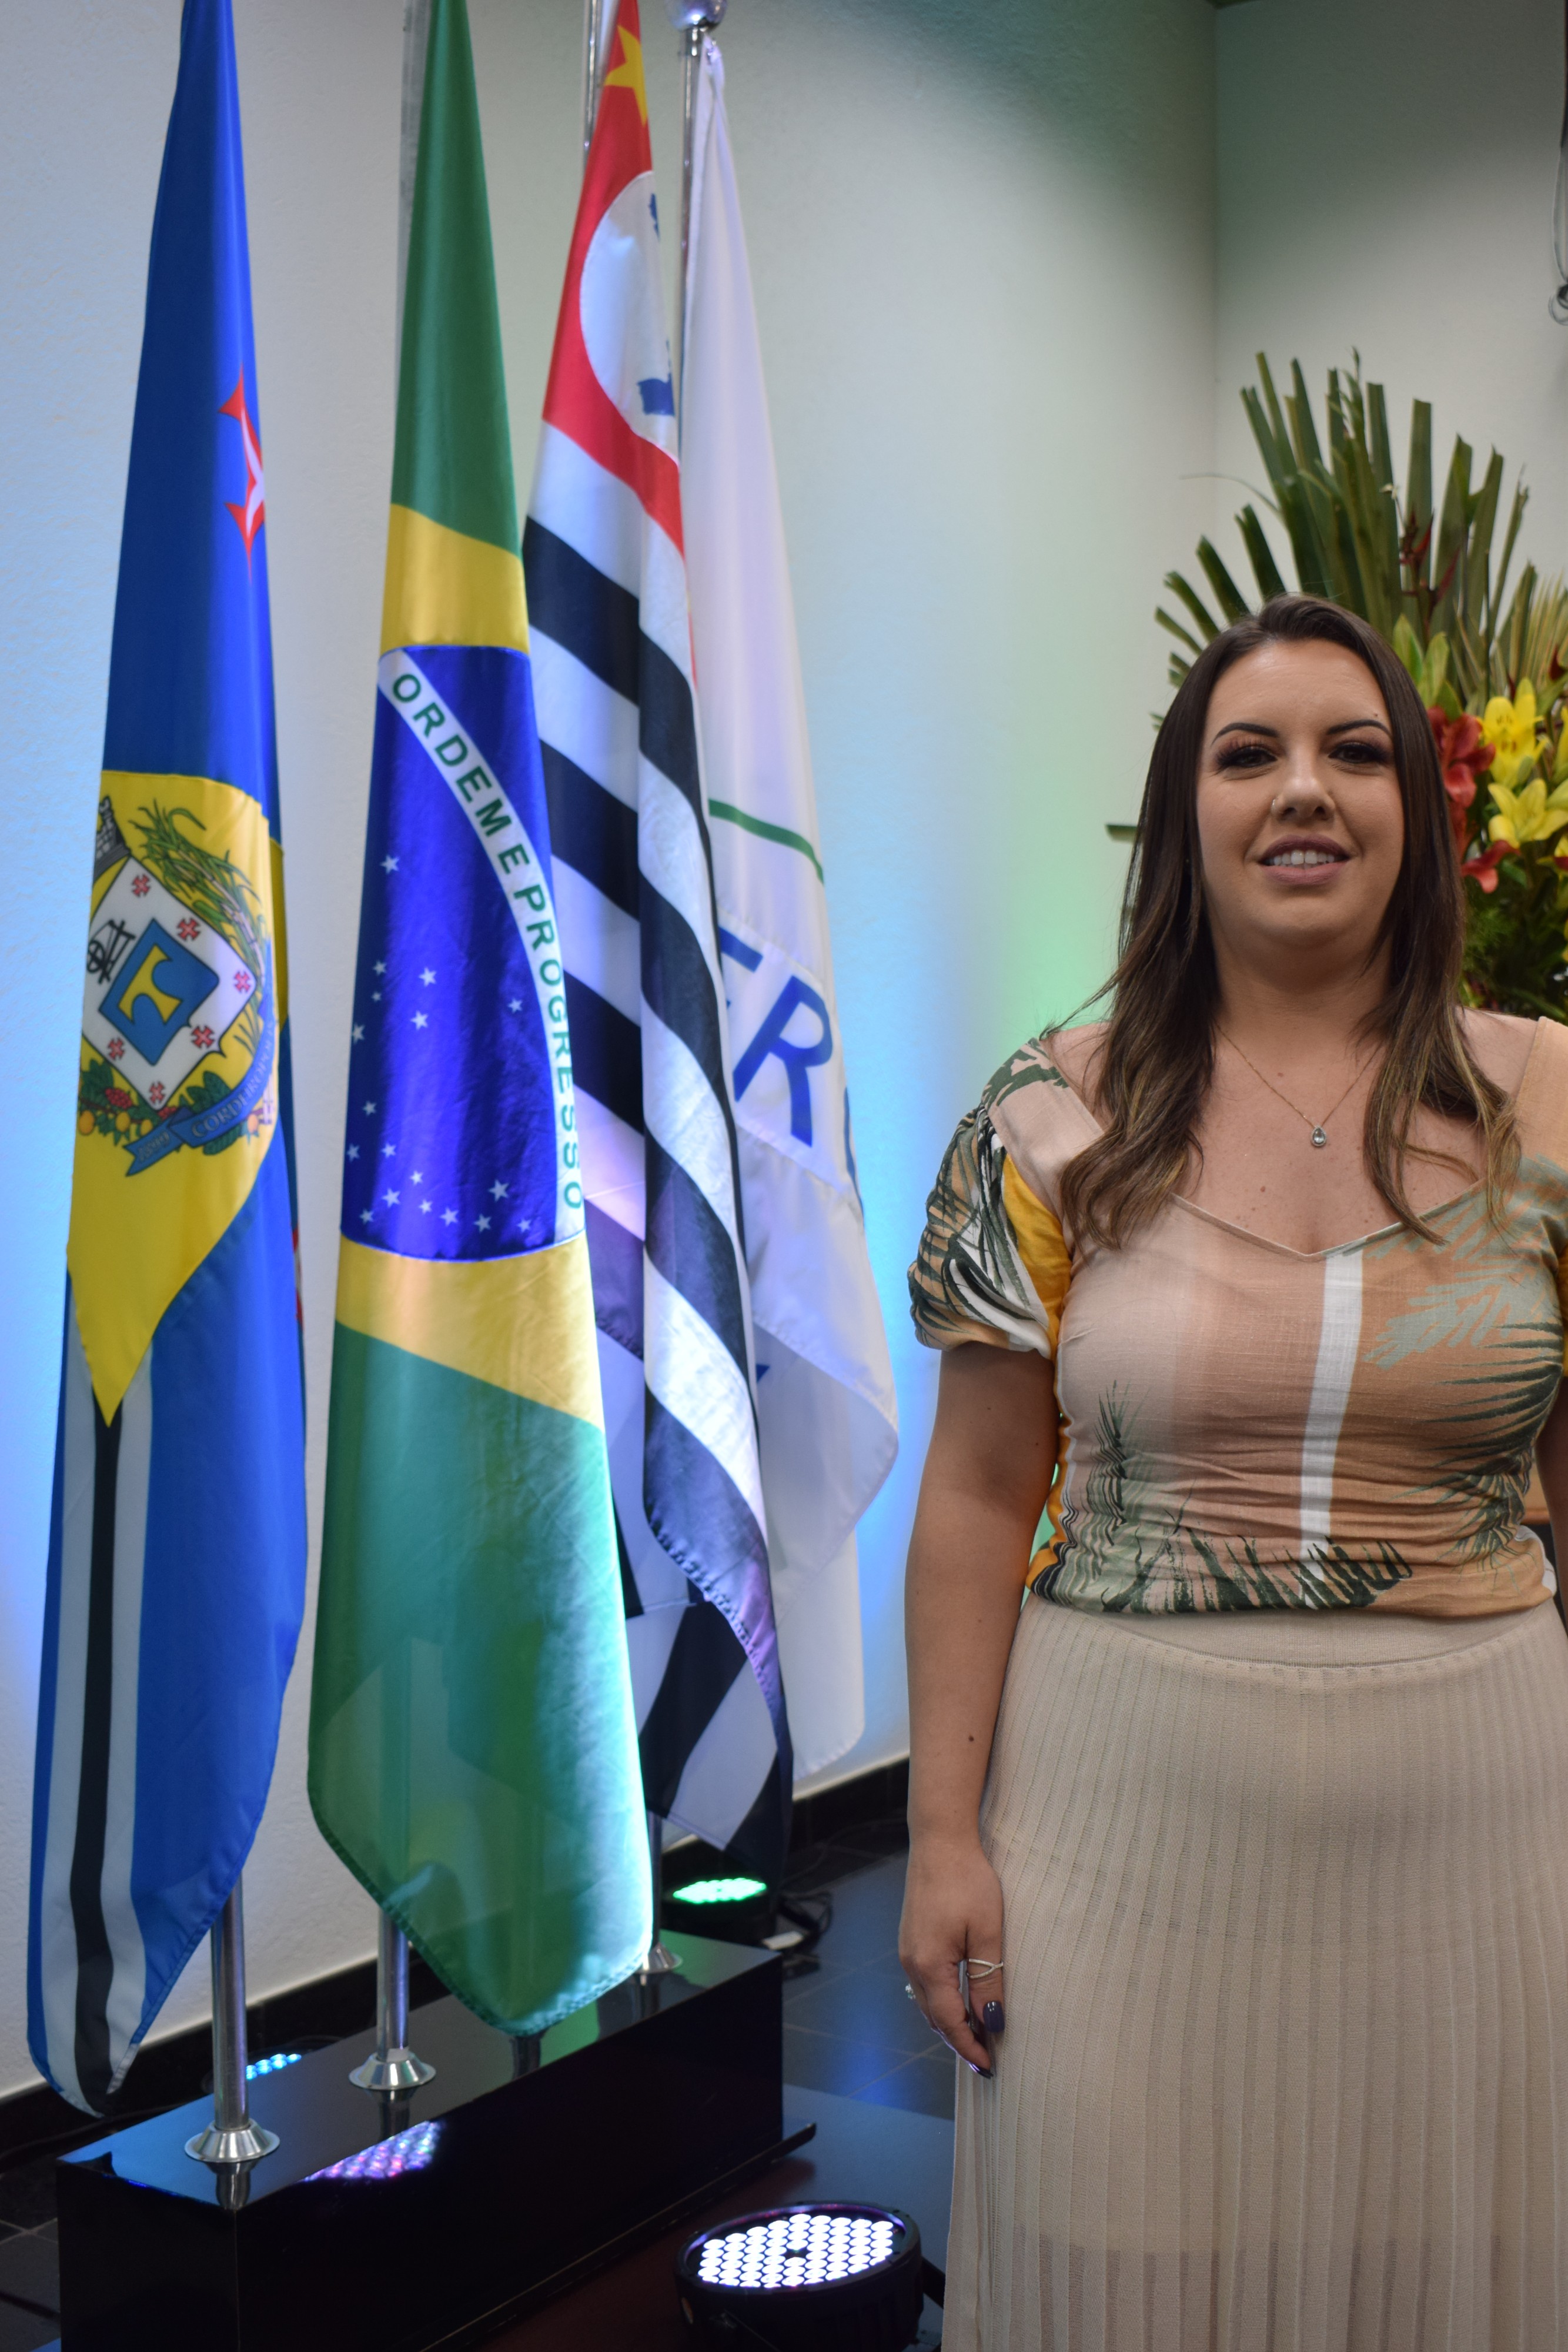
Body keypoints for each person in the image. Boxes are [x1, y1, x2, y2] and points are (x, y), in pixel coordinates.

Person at [900, 593, 1568, 2352]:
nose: (1303, 790)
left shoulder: (1550, 1108)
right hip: (1118, 1831)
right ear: (1183, 813)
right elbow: (976, 1499)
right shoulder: (1053, 1115)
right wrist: (940, 1839)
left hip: (1486, 1829)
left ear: (1415, 810)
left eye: (1355, 753)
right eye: (1247, 752)